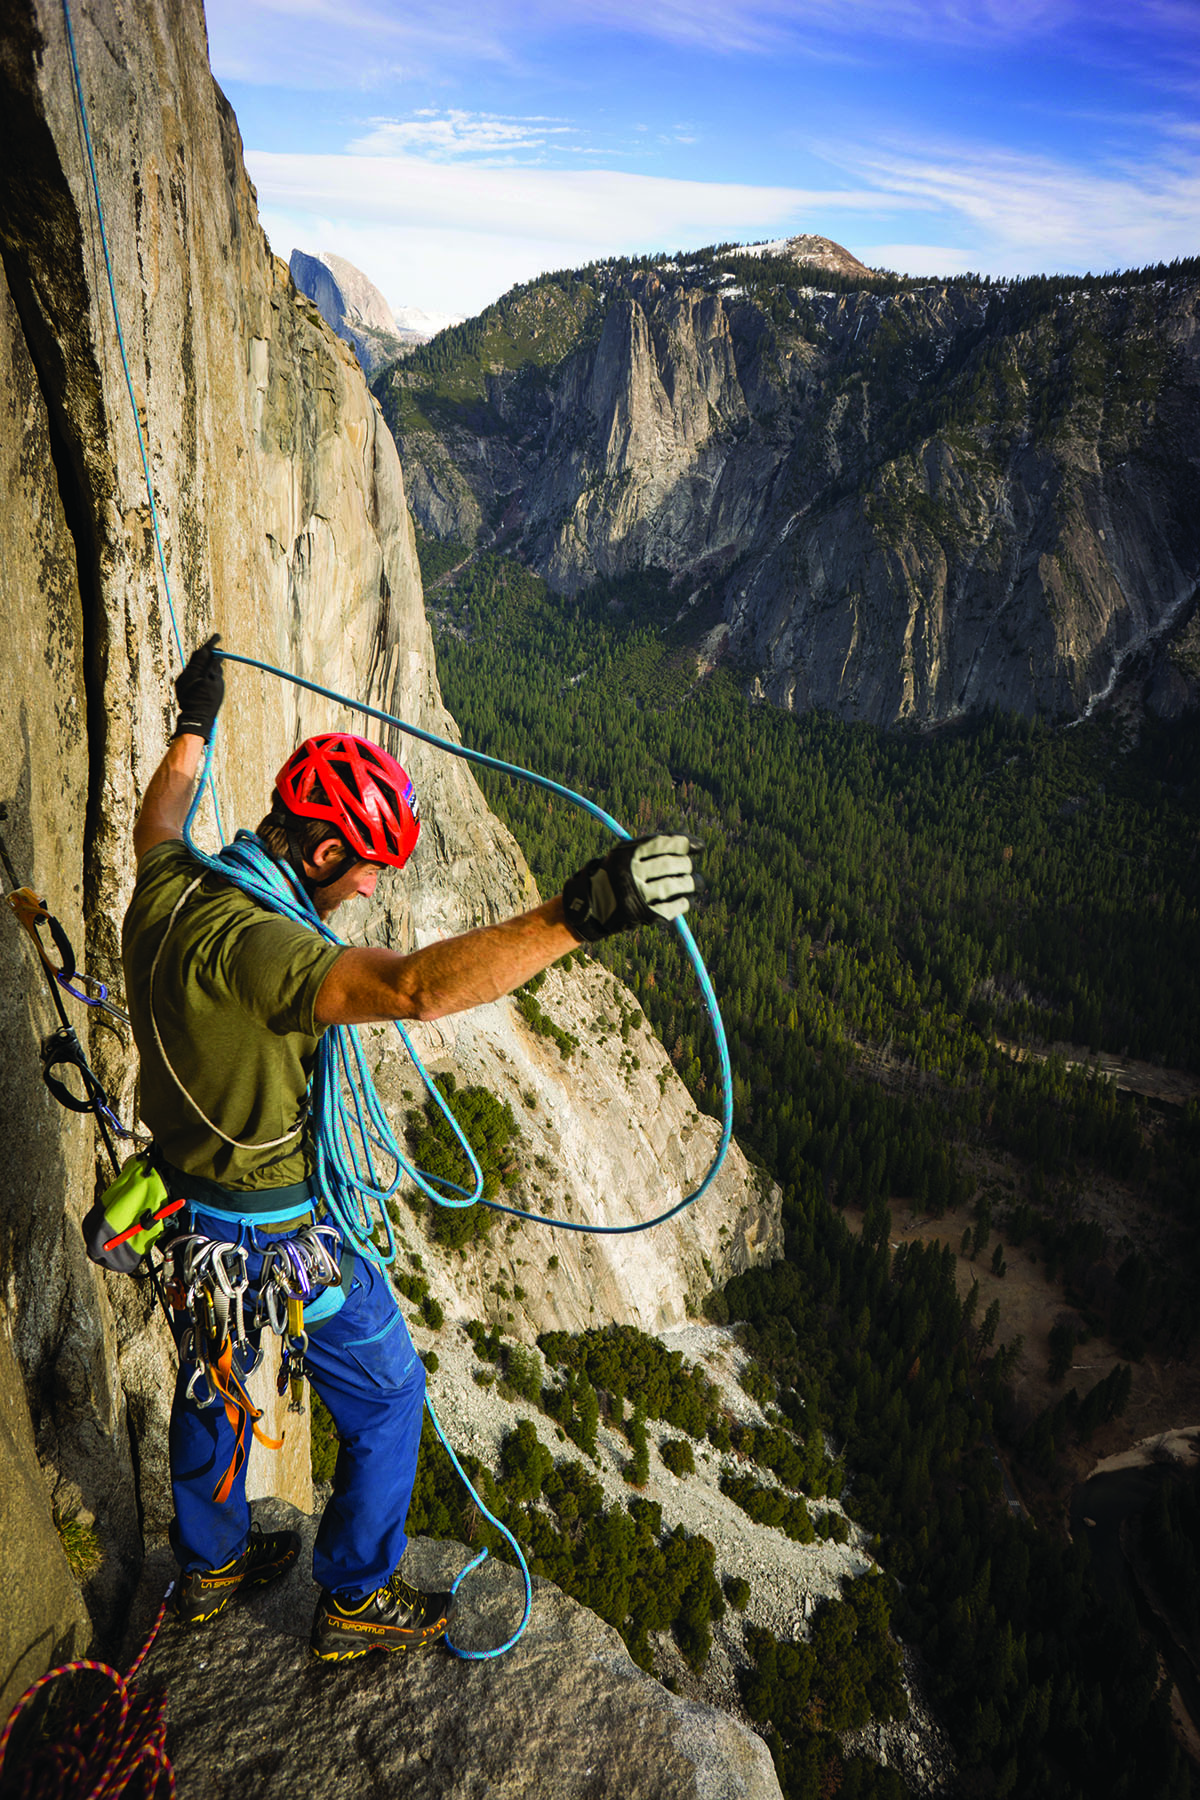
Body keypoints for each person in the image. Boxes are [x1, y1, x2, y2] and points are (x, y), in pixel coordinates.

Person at [121, 637, 695, 1662]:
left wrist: (195, 717)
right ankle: (354, 1597)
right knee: (387, 1393)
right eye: (371, 873)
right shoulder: (275, 953)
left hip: (182, 1211)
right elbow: (415, 988)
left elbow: (157, 812)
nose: (374, 894)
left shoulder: (169, 890)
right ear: (329, 854)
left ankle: (205, 1567)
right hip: (272, 1229)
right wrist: (579, 913)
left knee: (213, 1372)